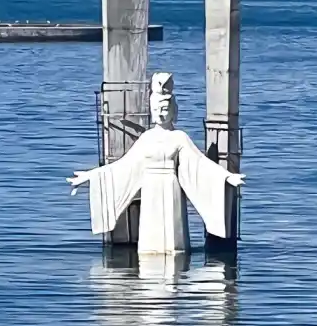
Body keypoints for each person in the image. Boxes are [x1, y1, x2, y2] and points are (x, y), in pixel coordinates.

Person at [68, 72, 244, 255]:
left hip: (171, 187)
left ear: (174, 111)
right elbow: (123, 166)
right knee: (151, 239)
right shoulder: (147, 138)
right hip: (151, 188)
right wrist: (91, 176)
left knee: (173, 234)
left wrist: (226, 177)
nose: (161, 113)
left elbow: (199, 163)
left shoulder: (179, 138)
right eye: (157, 109)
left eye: (165, 109)